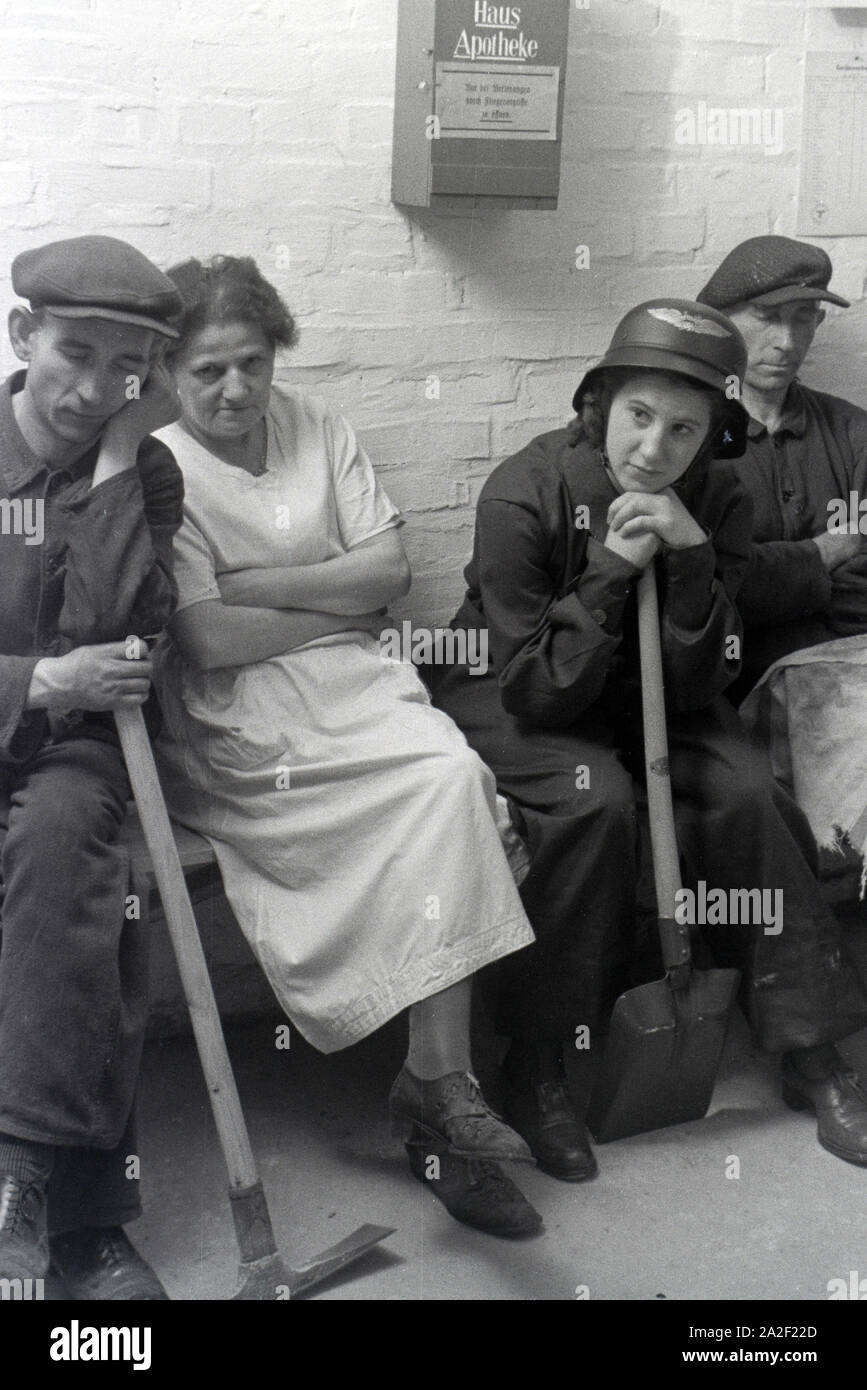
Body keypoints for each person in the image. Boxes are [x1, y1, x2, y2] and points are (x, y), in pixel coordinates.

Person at [428, 299, 867, 1180]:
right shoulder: (525, 490)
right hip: (519, 691)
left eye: (683, 429)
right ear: (599, 406)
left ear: (709, 439)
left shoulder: (717, 498)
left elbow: (709, 677)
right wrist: (609, 573)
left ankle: (809, 1049)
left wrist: (696, 562)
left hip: (660, 690)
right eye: (637, 417)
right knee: (595, 801)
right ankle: (537, 1061)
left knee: (747, 797)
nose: (653, 449)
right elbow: (535, 685)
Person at [149, 254, 542, 1236]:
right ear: (164, 373)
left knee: (451, 778)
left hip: (355, 686)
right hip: (237, 724)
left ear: (276, 353)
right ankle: (441, 1097)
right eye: (207, 371)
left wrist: (256, 589)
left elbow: (391, 572)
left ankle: (434, 1078)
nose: (235, 389)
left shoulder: (318, 427)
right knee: (431, 804)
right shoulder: (160, 468)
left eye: (252, 362)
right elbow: (204, 640)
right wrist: (331, 597)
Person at [0, 235, 184, 1297]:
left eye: (124, 369)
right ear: (24, 335)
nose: (91, 388)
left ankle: (24, 1179)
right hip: (33, 713)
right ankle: (90, 1221)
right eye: (74, 353)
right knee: (73, 885)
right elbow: (77, 665)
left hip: (86, 752)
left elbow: (124, 638)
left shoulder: (147, 468)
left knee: (77, 851)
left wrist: (118, 456)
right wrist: (40, 680)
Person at [697, 237, 867, 884]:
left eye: (803, 319)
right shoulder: (689, 435)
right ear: (722, 321)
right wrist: (826, 554)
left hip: (848, 675)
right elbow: (711, 589)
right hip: (729, 688)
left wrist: (777, 573)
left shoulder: (851, 432)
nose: (786, 340)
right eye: (767, 317)